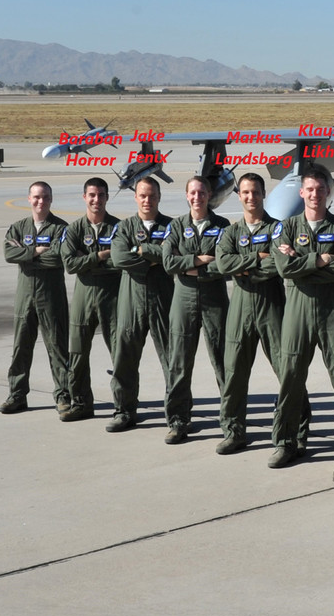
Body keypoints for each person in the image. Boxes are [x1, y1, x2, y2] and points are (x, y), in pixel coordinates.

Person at [268, 164, 334, 469]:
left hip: (333, 311)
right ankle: (287, 442)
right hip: (298, 311)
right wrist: (319, 260)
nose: (315, 195)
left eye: (320, 189)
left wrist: (302, 263)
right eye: (310, 189)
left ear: (328, 192)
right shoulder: (286, 228)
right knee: (290, 378)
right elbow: (284, 268)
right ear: (301, 192)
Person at [213, 173, 286, 455]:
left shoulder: (278, 229)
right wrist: (256, 258)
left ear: (264, 194)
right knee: (234, 372)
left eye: (255, 191)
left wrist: (243, 269)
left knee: (286, 370)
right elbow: (223, 263)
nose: (250, 197)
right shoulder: (231, 232)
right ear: (239, 195)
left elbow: (278, 265)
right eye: (245, 192)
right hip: (241, 307)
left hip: (272, 305)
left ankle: (292, 433)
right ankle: (234, 432)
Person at [162, 176, 230, 444]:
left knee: (223, 359)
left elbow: (224, 264)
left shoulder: (222, 226)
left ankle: (231, 419)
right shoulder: (176, 226)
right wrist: (201, 260)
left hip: (215, 298)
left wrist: (189, 267)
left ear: (210, 194)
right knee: (179, 360)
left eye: (202, 192)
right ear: (186, 195)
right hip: (184, 298)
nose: (197, 197)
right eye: (192, 192)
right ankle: (178, 420)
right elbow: (169, 263)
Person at [107, 176, 174, 433]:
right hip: (131, 302)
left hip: (163, 300)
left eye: (152, 196)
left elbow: (173, 257)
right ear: (135, 197)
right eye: (143, 196)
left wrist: (141, 250)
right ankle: (124, 410)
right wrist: (153, 256)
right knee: (124, 357)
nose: (147, 200)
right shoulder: (124, 227)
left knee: (172, 358)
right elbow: (119, 258)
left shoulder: (172, 226)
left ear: (159, 197)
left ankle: (177, 413)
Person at [0, 181, 70, 414]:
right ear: (29, 199)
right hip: (25, 296)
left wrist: (27, 257)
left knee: (57, 346)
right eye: (37, 197)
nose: (41, 201)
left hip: (51, 296)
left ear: (51, 199)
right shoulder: (19, 227)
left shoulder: (61, 229)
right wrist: (36, 251)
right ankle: (17, 395)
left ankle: (63, 396)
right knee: (21, 345)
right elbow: (9, 253)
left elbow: (59, 257)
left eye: (46, 197)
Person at [60, 177, 121, 421]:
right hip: (83, 296)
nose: (97, 200)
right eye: (92, 195)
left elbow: (121, 261)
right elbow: (70, 264)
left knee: (120, 352)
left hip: (112, 296)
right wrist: (100, 256)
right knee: (77, 352)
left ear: (107, 197)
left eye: (101, 195)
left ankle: (124, 406)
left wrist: (86, 259)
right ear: (84, 197)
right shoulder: (74, 230)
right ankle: (81, 403)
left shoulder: (119, 228)